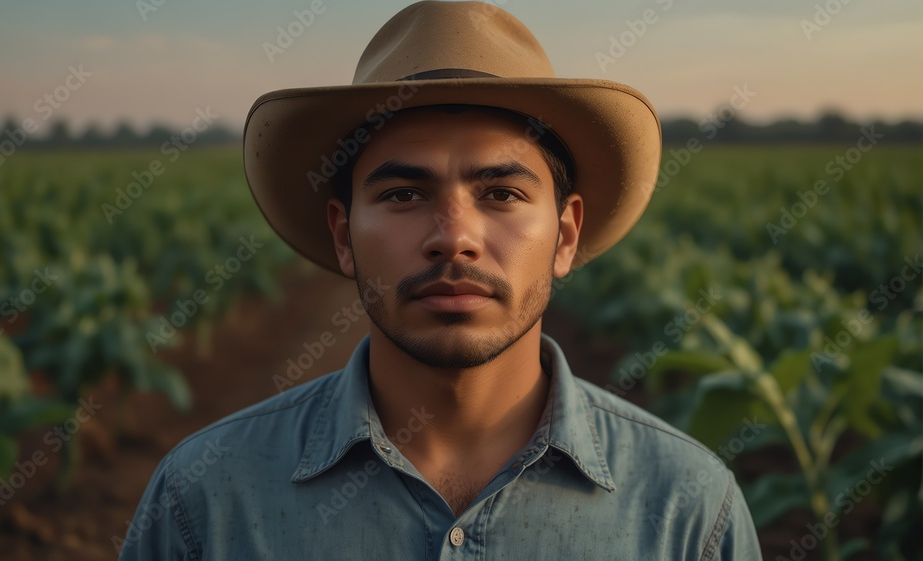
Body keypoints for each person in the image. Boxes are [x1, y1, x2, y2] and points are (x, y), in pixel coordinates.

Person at [120, 2, 762, 558]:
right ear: (343, 236)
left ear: (565, 236)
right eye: (403, 193)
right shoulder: (202, 501)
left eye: (502, 193)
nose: (453, 235)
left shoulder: (692, 512)